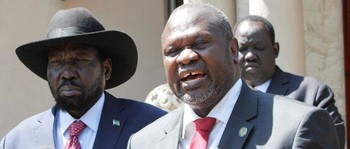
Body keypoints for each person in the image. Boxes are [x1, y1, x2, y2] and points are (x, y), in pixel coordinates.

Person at [127, 2, 340, 149]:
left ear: (233, 50)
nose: (186, 57)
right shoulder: (143, 142)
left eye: (200, 43)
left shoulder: (297, 127)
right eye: (173, 51)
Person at [0, 7, 166, 149]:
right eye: (57, 62)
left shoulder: (151, 125)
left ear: (106, 69)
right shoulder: (18, 140)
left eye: (79, 60)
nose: (67, 73)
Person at [233, 15, 345, 148]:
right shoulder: (227, 97)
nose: (250, 55)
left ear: (275, 50)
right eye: (243, 49)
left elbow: (333, 142)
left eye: (259, 47)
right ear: (233, 52)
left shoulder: (312, 92)